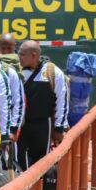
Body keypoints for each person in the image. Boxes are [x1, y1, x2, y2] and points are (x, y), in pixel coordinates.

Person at [17, 40, 68, 172]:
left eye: (22, 54)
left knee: (40, 161)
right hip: (20, 126)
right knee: (18, 160)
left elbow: (62, 100)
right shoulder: (16, 71)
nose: (19, 57)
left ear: (33, 55)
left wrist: (59, 128)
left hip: (43, 125)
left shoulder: (53, 72)